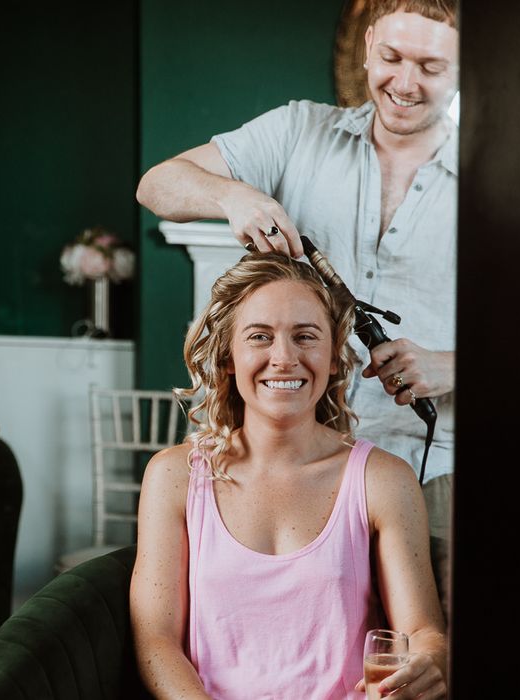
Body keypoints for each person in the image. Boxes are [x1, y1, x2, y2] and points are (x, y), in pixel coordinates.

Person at [135, 0, 458, 614]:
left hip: (433, 462)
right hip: (303, 461)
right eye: (390, 58)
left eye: (430, 67)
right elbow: (157, 185)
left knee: (430, 644)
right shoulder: (297, 131)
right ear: (366, 48)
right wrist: (232, 195)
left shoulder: (495, 174)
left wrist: (453, 365)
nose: (404, 83)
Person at [130, 252, 447, 699]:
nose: (284, 358)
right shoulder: (173, 477)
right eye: (260, 336)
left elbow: (423, 632)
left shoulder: (383, 479)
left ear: (335, 358)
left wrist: (429, 663)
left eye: (305, 337)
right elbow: (156, 642)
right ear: (228, 358)